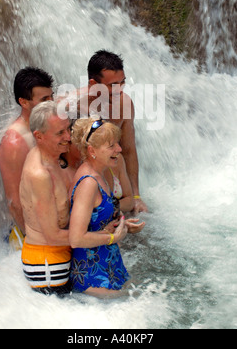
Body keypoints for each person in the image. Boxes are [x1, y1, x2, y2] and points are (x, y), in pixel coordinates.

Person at [69, 117, 145, 298]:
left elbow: (94, 224)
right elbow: (76, 239)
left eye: (117, 144)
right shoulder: (88, 182)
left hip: (108, 266)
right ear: (92, 150)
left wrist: (121, 226)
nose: (119, 149)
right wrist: (113, 237)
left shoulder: (99, 175)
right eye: (111, 146)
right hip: (93, 277)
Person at [77, 50, 149, 214]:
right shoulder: (76, 108)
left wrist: (136, 197)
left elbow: (129, 150)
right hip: (86, 187)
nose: (120, 89)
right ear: (94, 85)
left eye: (122, 82)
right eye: (113, 85)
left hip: (114, 183)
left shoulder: (124, 104)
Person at [20, 101, 72, 296]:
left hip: (52, 259)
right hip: (48, 266)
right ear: (39, 136)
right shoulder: (40, 174)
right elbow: (52, 235)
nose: (68, 137)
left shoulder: (48, 155)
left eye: (68, 129)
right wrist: (104, 237)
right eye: (60, 133)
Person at [0, 67, 54, 237]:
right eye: (44, 99)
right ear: (24, 102)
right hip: (26, 231)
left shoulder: (49, 123)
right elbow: (14, 202)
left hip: (51, 221)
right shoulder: (14, 142)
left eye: (52, 96)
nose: (52, 103)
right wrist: (34, 238)